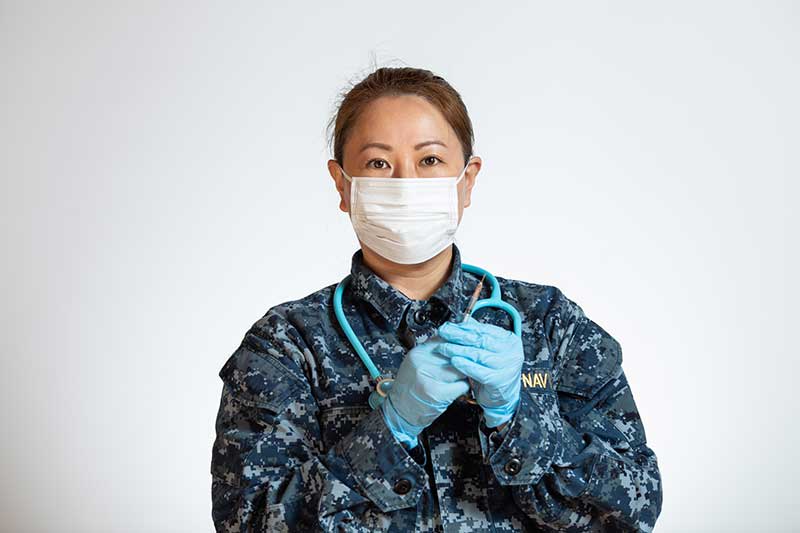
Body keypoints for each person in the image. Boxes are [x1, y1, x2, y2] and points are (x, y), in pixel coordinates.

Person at [210, 66, 663, 532]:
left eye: (429, 161)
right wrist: (390, 430)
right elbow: (249, 521)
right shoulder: (287, 346)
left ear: (467, 180)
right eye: (378, 163)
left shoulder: (550, 323)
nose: (406, 182)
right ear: (342, 185)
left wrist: (518, 420)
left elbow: (634, 509)